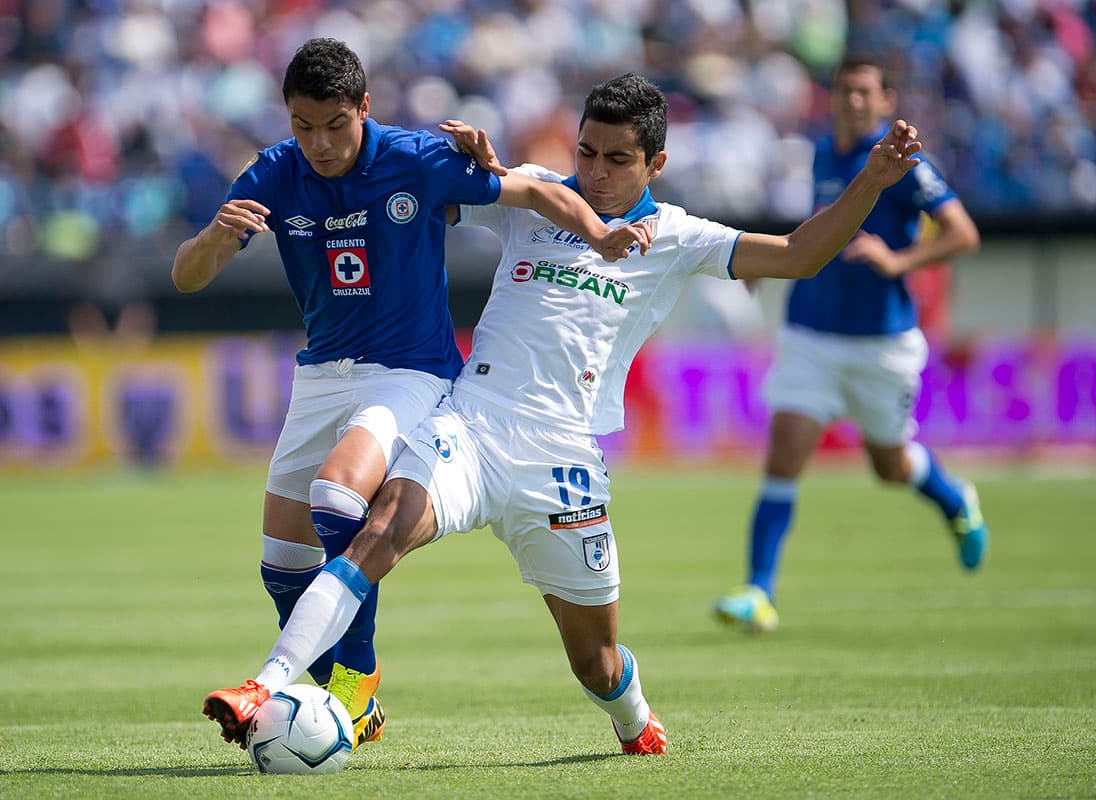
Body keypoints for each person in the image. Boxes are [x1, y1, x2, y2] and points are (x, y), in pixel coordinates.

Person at [203, 72, 927, 755]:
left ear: (657, 162)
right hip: (470, 427)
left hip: (561, 461)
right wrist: (470, 163)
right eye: (586, 151)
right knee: (376, 530)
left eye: (618, 159)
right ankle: (269, 685)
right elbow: (433, 192)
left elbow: (800, 254)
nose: (597, 171)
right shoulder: (544, 195)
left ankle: (634, 718)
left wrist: (869, 181)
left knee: (595, 661)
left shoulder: (678, 237)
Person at [174, 39, 649, 749]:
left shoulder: (415, 159)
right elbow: (187, 277)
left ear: (364, 107)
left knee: (338, 497)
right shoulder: (275, 172)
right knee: (282, 561)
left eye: (335, 124)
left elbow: (537, 190)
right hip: (321, 373)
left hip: (411, 371)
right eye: (303, 128)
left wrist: (601, 232)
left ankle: (353, 683)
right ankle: (346, 705)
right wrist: (216, 236)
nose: (320, 144)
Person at [712, 55, 986, 635]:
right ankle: (758, 591)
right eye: (844, 90)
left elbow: (964, 233)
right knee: (785, 452)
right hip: (810, 331)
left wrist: (898, 260)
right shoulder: (818, 151)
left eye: (865, 92)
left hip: (881, 344)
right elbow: (822, 221)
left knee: (889, 465)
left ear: (887, 102)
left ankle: (955, 498)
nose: (853, 101)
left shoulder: (906, 165)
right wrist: (772, 257)